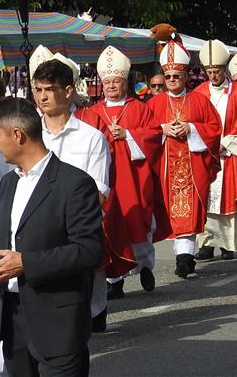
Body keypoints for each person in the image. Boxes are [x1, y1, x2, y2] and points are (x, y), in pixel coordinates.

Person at [0, 97, 103, 377]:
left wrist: (26, 263)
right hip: (13, 319)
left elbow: (89, 250)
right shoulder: (8, 182)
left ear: (17, 135)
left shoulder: (75, 184)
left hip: (58, 321)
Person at [32, 59, 112, 332]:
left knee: (73, 319)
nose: (42, 96)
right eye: (38, 89)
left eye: (49, 89)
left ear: (68, 91)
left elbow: (99, 191)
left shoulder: (91, 138)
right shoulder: (27, 135)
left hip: (74, 234)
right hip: (34, 233)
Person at [79, 46, 161, 299]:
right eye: (108, 82)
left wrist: (129, 135)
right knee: (110, 226)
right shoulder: (92, 113)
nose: (111, 85)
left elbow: (155, 135)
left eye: (116, 81)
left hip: (134, 178)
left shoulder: (140, 109)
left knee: (137, 222)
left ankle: (145, 266)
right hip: (107, 178)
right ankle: (116, 280)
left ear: (125, 82)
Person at [146, 40, 222, 278]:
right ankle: (184, 257)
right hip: (165, 168)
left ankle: (185, 258)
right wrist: (162, 130)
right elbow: (144, 132)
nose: (171, 80)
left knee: (188, 211)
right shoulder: (154, 103)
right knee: (170, 210)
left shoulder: (200, 100)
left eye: (176, 75)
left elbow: (214, 128)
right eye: (167, 76)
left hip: (192, 165)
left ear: (186, 75)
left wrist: (192, 130)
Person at [193, 40, 237, 260]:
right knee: (207, 198)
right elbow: (194, 122)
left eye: (217, 71)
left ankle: (228, 245)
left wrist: (228, 142)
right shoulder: (199, 93)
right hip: (206, 154)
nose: (213, 76)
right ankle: (207, 244)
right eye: (209, 72)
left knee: (228, 200)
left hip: (230, 155)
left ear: (224, 70)